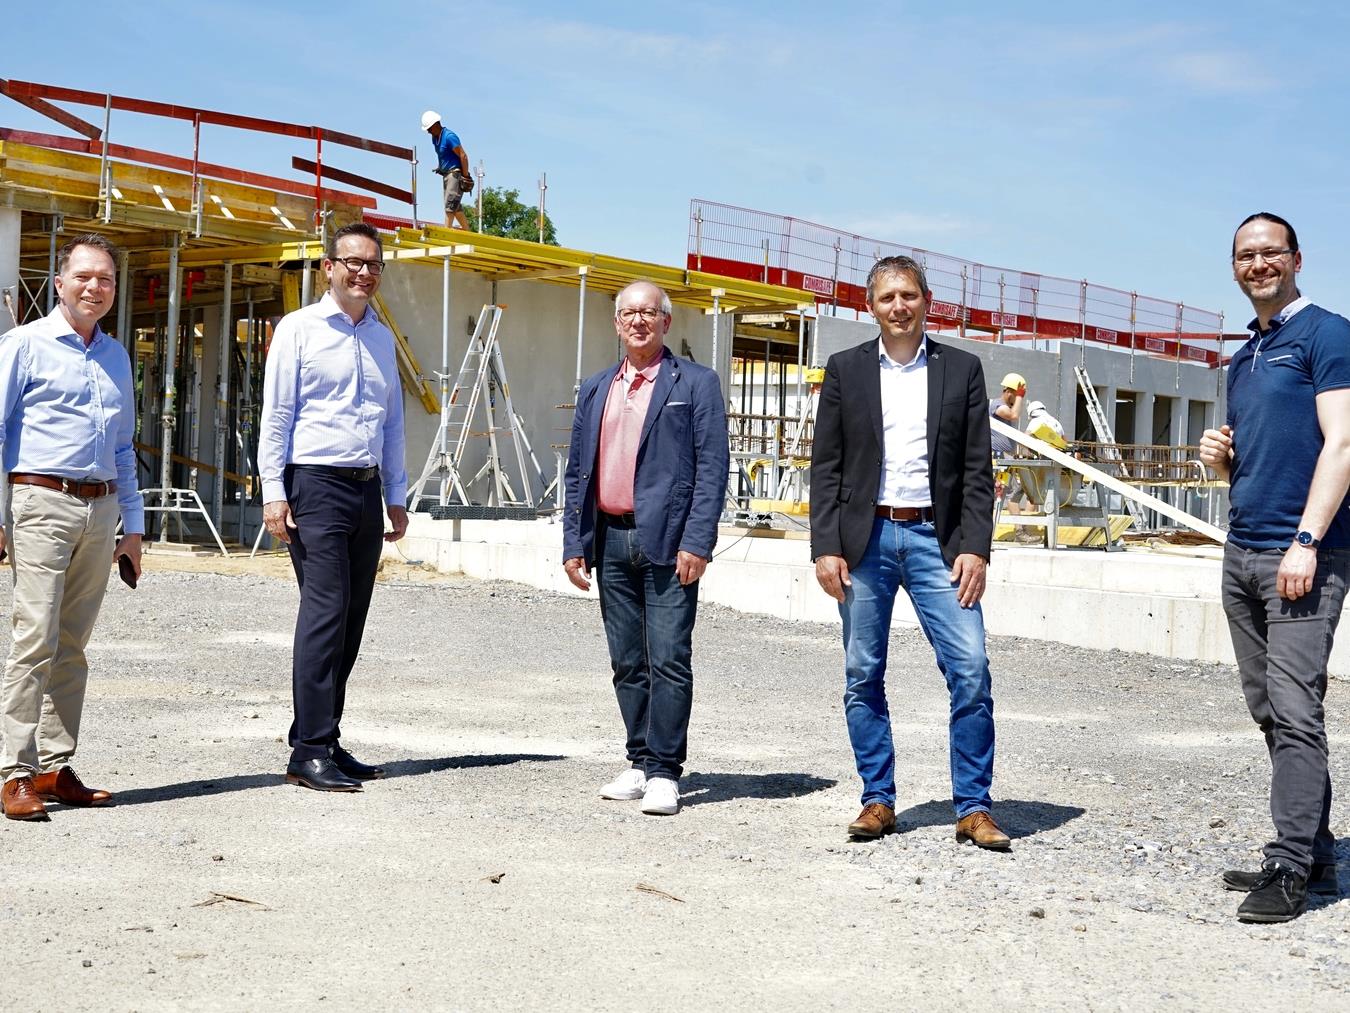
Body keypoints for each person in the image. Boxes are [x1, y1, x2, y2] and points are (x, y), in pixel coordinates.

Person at [810, 255, 1008, 848]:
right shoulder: (845, 370)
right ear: (870, 307)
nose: (899, 307)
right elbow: (827, 466)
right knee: (862, 672)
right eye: (886, 298)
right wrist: (825, 546)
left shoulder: (962, 370)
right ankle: (877, 799)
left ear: (927, 300)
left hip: (936, 542)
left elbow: (977, 467)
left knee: (970, 669)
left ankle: (973, 807)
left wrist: (976, 545)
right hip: (864, 539)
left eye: (909, 296)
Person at [1199, 212, 1350, 923]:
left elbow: (1342, 445)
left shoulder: (1327, 334)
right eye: (1245, 255)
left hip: (1302, 556)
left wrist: (1308, 540)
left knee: (1295, 710)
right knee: (1267, 707)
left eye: (1270, 252)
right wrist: (1222, 461)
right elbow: (1263, 454)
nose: (1258, 264)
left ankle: (1289, 866)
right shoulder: (1246, 353)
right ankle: (1313, 843)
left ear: (1295, 258)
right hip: (1243, 549)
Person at [562, 281, 729, 817]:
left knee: (670, 659)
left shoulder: (695, 383)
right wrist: (574, 542)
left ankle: (664, 771)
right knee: (627, 660)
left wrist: (698, 540)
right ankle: (638, 759)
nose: (638, 321)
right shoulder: (595, 387)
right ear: (616, 323)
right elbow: (576, 474)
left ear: (666, 322)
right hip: (609, 538)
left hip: (669, 542)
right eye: (628, 313)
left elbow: (712, 469)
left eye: (648, 313)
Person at [259, 222, 410, 792]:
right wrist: (273, 490)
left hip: (365, 488)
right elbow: (277, 415)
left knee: (352, 617)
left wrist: (395, 495)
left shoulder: (380, 338)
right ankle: (309, 750)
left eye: (373, 264)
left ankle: (322, 734)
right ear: (328, 267)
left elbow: (393, 422)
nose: (363, 272)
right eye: (353, 262)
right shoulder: (298, 331)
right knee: (325, 611)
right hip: (314, 484)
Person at [0, 233, 143, 821]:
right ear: (59, 283)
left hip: (101, 508)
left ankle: (56, 767)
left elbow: (125, 446)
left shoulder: (116, 356)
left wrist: (132, 526)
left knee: (73, 644)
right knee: (33, 638)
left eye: (105, 278)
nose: (95, 287)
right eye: (83, 276)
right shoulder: (24, 345)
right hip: (40, 501)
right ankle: (13, 772)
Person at [421, 110, 471, 230]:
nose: (428, 131)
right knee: (455, 206)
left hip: (455, 174)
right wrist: (441, 167)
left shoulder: (449, 137)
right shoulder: (435, 138)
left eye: (429, 128)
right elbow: (442, 154)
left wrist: (465, 176)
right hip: (447, 174)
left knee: (450, 205)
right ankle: (468, 233)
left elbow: (463, 156)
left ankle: (446, 233)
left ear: (436, 124)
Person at [989, 372, 1025, 459]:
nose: (1018, 400)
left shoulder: (1009, 408)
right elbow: (1013, 416)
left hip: (1006, 456)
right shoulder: (997, 405)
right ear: (1008, 392)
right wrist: (1020, 396)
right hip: (997, 456)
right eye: (1016, 396)